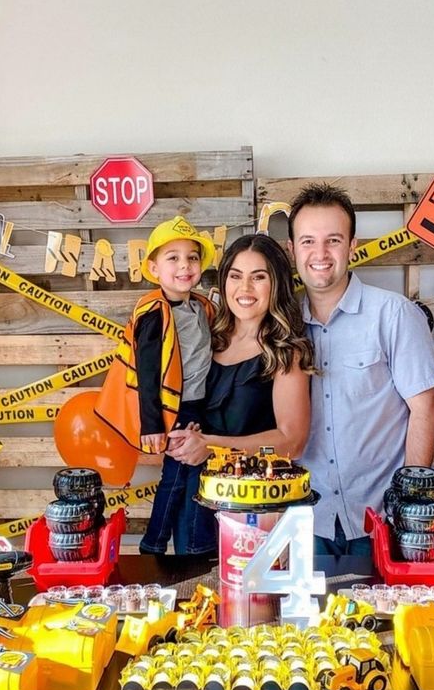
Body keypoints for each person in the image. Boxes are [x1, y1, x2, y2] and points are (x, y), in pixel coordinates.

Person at [287, 183, 434, 557]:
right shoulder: (282, 324)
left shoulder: (394, 315)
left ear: (353, 246)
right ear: (291, 250)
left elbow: (427, 407)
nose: (320, 254)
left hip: (378, 521)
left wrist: (408, 511)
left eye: (333, 241)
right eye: (307, 241)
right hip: (304, 521)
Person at [94, 215, 218, 556]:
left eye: (192, 257)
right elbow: (147, 371)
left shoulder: (202, 307)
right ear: (154, 268)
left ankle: (192, 546)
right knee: (176, 479)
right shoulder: (153, 312)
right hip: (170, 410)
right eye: (173, 257)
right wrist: (152, 424)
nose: (185, 265)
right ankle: (153, 547)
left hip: (197, 406)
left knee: (194, 477)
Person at [166, 233, 316, 467]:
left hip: (247, 495)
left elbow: (292, 444)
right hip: (187, 484)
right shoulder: (207, 339)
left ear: (276, 284)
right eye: (235, 276)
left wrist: (213, 446)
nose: (245, 288)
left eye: (258, 277)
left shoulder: (286, 353)